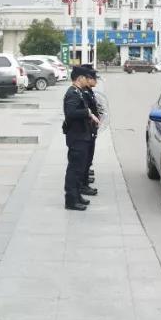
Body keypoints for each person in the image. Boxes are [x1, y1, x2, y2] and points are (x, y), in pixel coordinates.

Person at [62, 66, 99, 211]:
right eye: (85, 77)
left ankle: (77, 196)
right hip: (76, 138)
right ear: (79, 78)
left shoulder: (77, 92)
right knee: (74, 170)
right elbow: (70, 113)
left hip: (82, 136)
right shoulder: (72, 93)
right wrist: (87, 112)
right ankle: (71, 200)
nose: (87, 79)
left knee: (80, 169)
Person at [81, 66, 102, 195]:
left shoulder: (88, 91)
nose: (96, 81)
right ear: (88, 79)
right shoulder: (84, 92)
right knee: (85, 157)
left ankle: (85, 179)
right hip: (87, 128)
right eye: (94, 78)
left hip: (92, 127)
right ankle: (83, 184)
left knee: (89, 156)